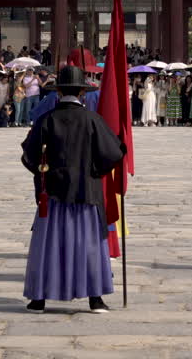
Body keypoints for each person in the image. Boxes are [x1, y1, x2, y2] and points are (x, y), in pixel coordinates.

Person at [19, 66, 125, 314]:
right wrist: (95, 169)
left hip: (53, 193)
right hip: (86, 191)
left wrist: (44, 172)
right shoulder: (93, 120)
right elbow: (113, 153)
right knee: (88, 245)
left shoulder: (47, 120)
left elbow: (28, 155)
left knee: (48, 244)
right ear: (82, 93)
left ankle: (39, 299)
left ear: (58, 92)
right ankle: (95, 298)